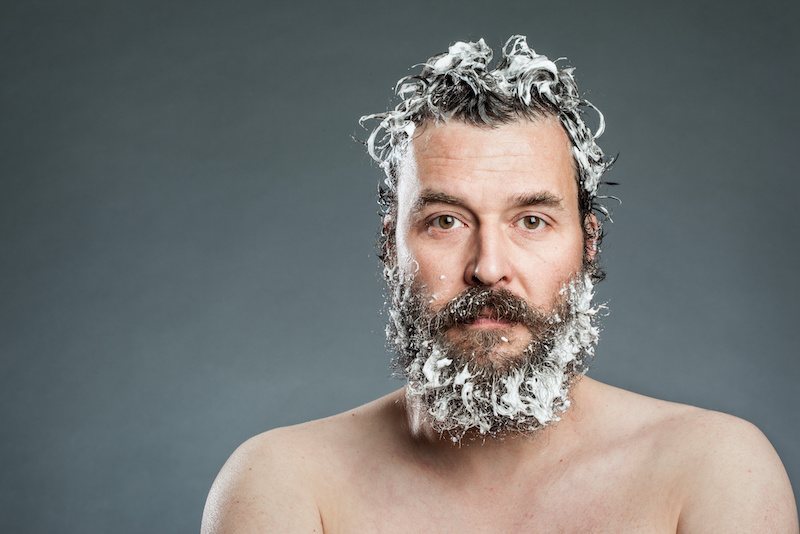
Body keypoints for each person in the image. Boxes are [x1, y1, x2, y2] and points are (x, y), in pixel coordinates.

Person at [201, 36, 798, 532]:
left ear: (588, 244)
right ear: (391, 246)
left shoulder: (713, 470)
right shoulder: (282, 483)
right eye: (445, 221)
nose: (488, 267)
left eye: (531, 221)